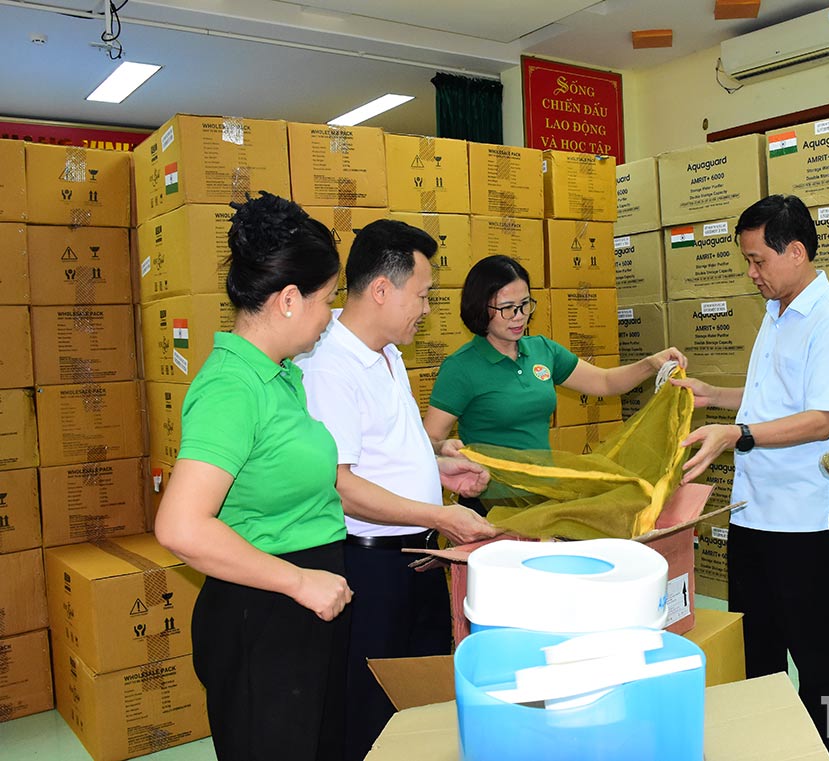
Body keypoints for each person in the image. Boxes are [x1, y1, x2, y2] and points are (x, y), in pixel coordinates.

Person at [154, 191, 352, 761]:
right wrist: (298, 581)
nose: (330, 316)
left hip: (304, 609)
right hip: (264, 616)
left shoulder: (280, 375)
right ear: (289, 300)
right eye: (327, 301)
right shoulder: (231, 388)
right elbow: (181, 527)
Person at [295, 219, 500, 761]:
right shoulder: (328, 366)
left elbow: (379, 454)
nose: (427, 309)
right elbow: (340, 485)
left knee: (419, 698)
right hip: (370, 568)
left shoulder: (388, 353)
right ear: (382, 290)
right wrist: (441, 516)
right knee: (370, 710)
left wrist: (436, 468)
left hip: (415, 557)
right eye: (423, 295)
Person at [671, 194, 829, 758]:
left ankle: (818, 747)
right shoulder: (777, 308)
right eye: (747, 262)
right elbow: (772, 397)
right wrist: (716, 396)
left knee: (813, 644)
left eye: (758, 261)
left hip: (805, 512)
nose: (751, 274)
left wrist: (738, 434)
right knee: (758, 637)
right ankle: (767, 741)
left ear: (798, 251)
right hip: (755, 508)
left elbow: (822, 418)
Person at [423, 254, 687, 457]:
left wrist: (652, 363)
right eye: (507, 308)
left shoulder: (542, 350)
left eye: (525, 304)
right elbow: (429, 440)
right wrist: (444, 448)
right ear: (480, 308)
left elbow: (605, 382)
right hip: (489, 500)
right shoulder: (461, 367)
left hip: (541, 494)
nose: (519, 317)